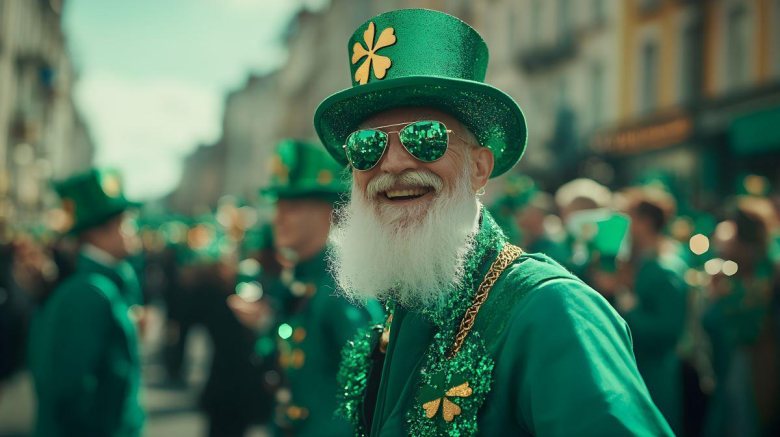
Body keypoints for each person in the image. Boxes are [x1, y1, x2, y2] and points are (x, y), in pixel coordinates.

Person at [313, 9, 672, 435]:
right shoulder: (401, 309)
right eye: (366, 145)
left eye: (424, 137)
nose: (391, 163)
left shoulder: (552, 309)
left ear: (480, 168)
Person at [228, 140, 382, 436]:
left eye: (294, 206)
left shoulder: (341, 290)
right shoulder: (302, 281)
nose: (278, 217)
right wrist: (264, 324)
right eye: (277, 205)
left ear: (329, 211)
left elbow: (370, 397)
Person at [27, 168, 144, 437]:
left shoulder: (101, 286)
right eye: (125, 223)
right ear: (99, 233)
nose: (132, 231)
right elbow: (70, 390)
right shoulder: (90, 293)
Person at [595, 188, 689, 432]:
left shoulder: (664, 269)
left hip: (656, 378)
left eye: (625, 217)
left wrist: (625, 303)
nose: (618, 225)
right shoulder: (637, 262)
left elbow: (668, 331)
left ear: (645, 223)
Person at [702, 197, 779, 437]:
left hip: (755, 362)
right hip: (739, 361)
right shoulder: (743, 272)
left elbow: (742, 324)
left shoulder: (765, 274)